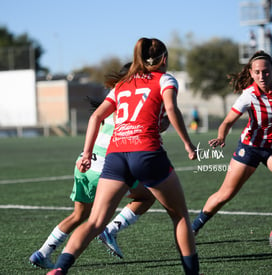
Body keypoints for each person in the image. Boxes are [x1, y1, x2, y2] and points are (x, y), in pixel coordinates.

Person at [48, 37, 200, 275]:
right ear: (164, 59)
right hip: (147, 153)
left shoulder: (121, 85)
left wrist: (87, 153)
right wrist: (188, 144)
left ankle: (60, 268)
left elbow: (95, 117)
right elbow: (171, 109)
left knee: (95, 222)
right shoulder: (165, 79)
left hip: (116, 154)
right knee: (179, 215)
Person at [29, 63, 158, 269]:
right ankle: (111, 230)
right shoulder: (132, 105)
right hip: (108, 169)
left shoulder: (111, 102)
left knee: (78, 215)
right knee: (146, 196)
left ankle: (42, 252)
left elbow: (97, 119)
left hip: (84, 164)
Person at [191, 51, 272, 236]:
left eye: (266, 72)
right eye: (257, 72)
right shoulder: (248, 95)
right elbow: (227, 122)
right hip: (250, 148)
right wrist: (221, 137)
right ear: (251, 73)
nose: (262, 76)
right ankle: (193, 229)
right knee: (225, 194)